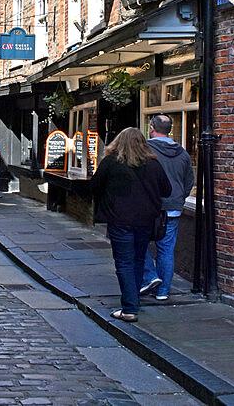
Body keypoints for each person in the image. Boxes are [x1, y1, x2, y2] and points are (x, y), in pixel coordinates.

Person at [90, 127, 171, 322]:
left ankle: (129, 308)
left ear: (118, 142)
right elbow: (166, 190)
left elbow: (94, 187)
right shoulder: (153, 164)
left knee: (124, 262)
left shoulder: (111, 162)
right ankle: (133, 302)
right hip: (144, 221)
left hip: (119, 220)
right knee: (136, 260)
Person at [140, 114, 195, 301]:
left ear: (152, 128)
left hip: (148, 206)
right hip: (173, 208)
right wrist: (179, 197)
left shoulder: (144, 149)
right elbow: (189, 181)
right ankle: (162, 291)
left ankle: (149, 277)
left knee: (138, 243)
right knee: (166, 249)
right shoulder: (182, 152)